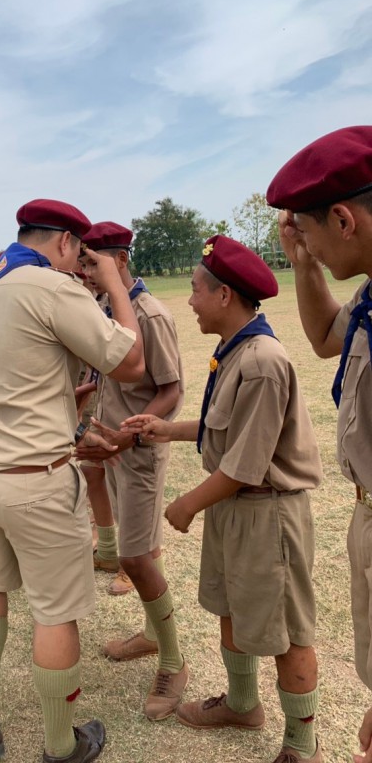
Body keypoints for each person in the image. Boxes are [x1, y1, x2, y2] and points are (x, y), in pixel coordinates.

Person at [0, 198, 144, 763]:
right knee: (55, 611)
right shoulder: (54, 288)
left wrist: (59, 398)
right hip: (32, 478)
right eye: (79, 255)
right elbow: (131, 362)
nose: (80, 265)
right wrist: (114, 283)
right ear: (63, 242)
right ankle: (61, 743)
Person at [124, 235, 323, 762]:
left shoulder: (262, 361)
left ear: (224, 295)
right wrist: (167, 430)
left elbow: (246, 464)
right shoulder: (235, 349)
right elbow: (227, 430)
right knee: (230, 606)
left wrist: (187, 503)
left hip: (266, 513)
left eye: (195, 290)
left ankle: (301, 745)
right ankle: (241, 704)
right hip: (235, 506)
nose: (189, 301)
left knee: (286, 632)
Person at [266, 125, 372, 763]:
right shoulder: (370, 296)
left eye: (307, 232)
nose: (305, 244)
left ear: (343, 219)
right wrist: (305, 265)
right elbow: (328, 338)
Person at [76, 221, 187, 721]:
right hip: (116, 448)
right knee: (139, 551)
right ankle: (150, 633)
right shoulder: (108, 310)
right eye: (82, 262)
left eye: (92, 261)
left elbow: (171, 389)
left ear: (120, 259)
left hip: (139, 450)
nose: (85, 270)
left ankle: (174, 661)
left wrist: (131, 434)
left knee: (136, 557)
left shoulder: (149, 314)